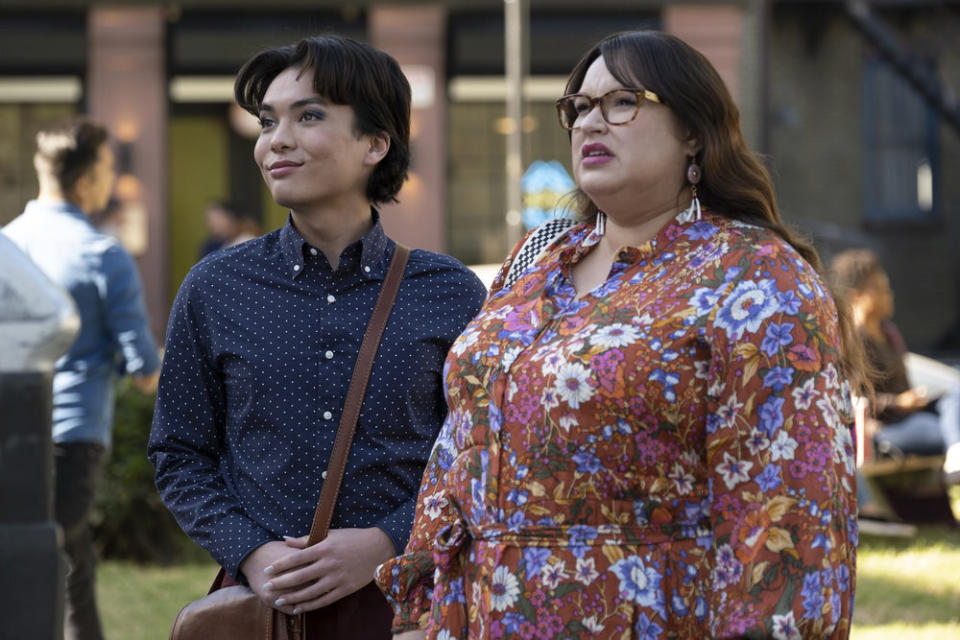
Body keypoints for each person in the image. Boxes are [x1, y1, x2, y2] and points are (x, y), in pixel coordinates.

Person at [376, 30, 863, 639]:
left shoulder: (756, 277)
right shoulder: (535, 264)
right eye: (578, 108)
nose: (589, 123)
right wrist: (420, 609)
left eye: (621, 102)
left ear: (693, 129)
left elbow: (790, 515)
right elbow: (458, 451)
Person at [147, 35, 486, 636]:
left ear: (376, 144)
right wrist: (254, 552)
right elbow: (179, 453)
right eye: (267, 121)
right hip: (264, 609)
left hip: (412, 605)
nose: (276, 139)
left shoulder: (449, 292)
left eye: (309, 116)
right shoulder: (215, 286)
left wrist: (386, 540)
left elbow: (478, 454)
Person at [3, 117, 161, 640]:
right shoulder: (103, 254)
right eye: (110, 168)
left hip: (9, 426)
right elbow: (144, 368)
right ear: (88, 179)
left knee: (35, 554)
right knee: (66, 558)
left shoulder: (6, 247)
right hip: (75, 430)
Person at [831, 248, 960, 478]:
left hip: (914, 414)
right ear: (856, 296)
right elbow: (854, 401)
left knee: (955, 391)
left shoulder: (888, 332)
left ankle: (956, 452)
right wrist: (900, 403)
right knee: (951, 431)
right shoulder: (852, 341)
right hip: (887, 427)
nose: (889, 295)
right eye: (880, 290)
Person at [198, 200, 262, 258]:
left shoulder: (247, 241)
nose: (212, 224)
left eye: (218, 218)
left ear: (233, 218)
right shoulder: (215, 244)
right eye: (210, 219)